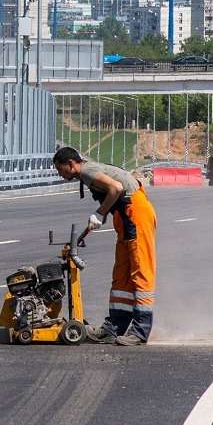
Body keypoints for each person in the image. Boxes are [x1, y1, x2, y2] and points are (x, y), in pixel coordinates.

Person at [52, 147, 158, 345]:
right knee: (122, 274)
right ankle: (114, 327)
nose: (60, 174)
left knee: (141, 271)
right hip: (126, 217)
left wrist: (100, 213)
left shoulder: (86, 171)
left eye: (61, 170)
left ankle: (141, 331)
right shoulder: (87, 172)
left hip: (136, 214)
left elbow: (116, 188)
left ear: (71, 164)